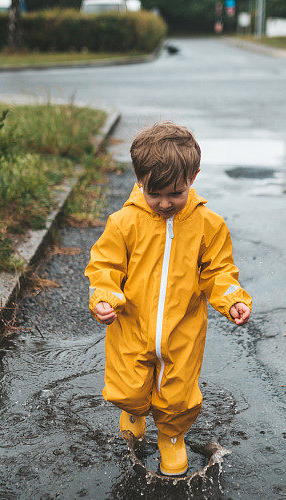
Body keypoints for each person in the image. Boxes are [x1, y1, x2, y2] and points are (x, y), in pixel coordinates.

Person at [84, 122, 253, 476]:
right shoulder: (124, 222)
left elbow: (218, 270)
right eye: (154, 193)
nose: (164, 204)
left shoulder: (208, 224)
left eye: (174, 194)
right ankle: (133, 411)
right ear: (140, 182)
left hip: (183, 331)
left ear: (194, 176)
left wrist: (231, 298)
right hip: (131, 325)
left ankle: (172, 437)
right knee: (127, 389)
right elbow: (106, 265)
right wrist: (104, 297)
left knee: (177, 395)